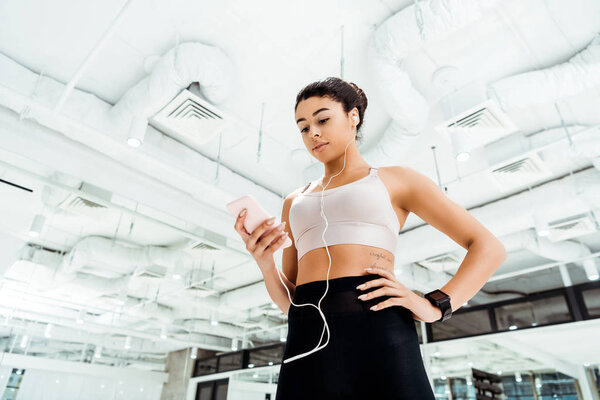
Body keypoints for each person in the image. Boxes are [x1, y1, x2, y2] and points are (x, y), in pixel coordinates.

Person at [233, 77, 506, 399]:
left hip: (376, 322)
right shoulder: (294, 201)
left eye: (322, 119)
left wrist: (435, 305)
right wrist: (265, 263)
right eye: (303, 127)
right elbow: (292, 303)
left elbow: (489, 247)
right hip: (306, 332)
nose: (313, 133)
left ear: (353, 117)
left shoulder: (398, 180)